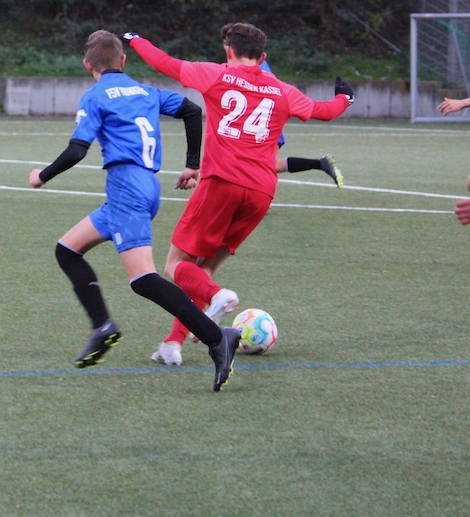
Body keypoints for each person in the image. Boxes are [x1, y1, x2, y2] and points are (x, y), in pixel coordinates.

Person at [122, 24, 354, 367]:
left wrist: (135, 40)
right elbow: (326, 111)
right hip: (261, 192)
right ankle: (173, 344)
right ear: (263, 57)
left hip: (221, 184)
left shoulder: (216, 74)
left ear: (228, 51)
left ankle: (218, 297)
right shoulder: (282, 89)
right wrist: (345, 97)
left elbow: (164, 63)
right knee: (203, 270)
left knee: (175, 266)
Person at [29, 30, 241, 392]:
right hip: (142, 187)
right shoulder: (145, 91)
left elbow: (78, 149)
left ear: (87, 65)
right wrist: (192, 164)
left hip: (127, 188)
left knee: (143, 279)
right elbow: (192, 110)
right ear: (123, 61)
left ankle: (217, 337)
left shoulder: (95, 95)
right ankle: (103, 327)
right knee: (67, 250)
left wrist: (42, 176)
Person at [264, 62, 343, 187]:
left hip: (264, 125)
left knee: (264, 166)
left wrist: (344, 98)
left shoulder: (249, 62)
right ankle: (320, 164)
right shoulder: (250, 61)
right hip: (263, 123)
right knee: (270, 165)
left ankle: (320, 164)